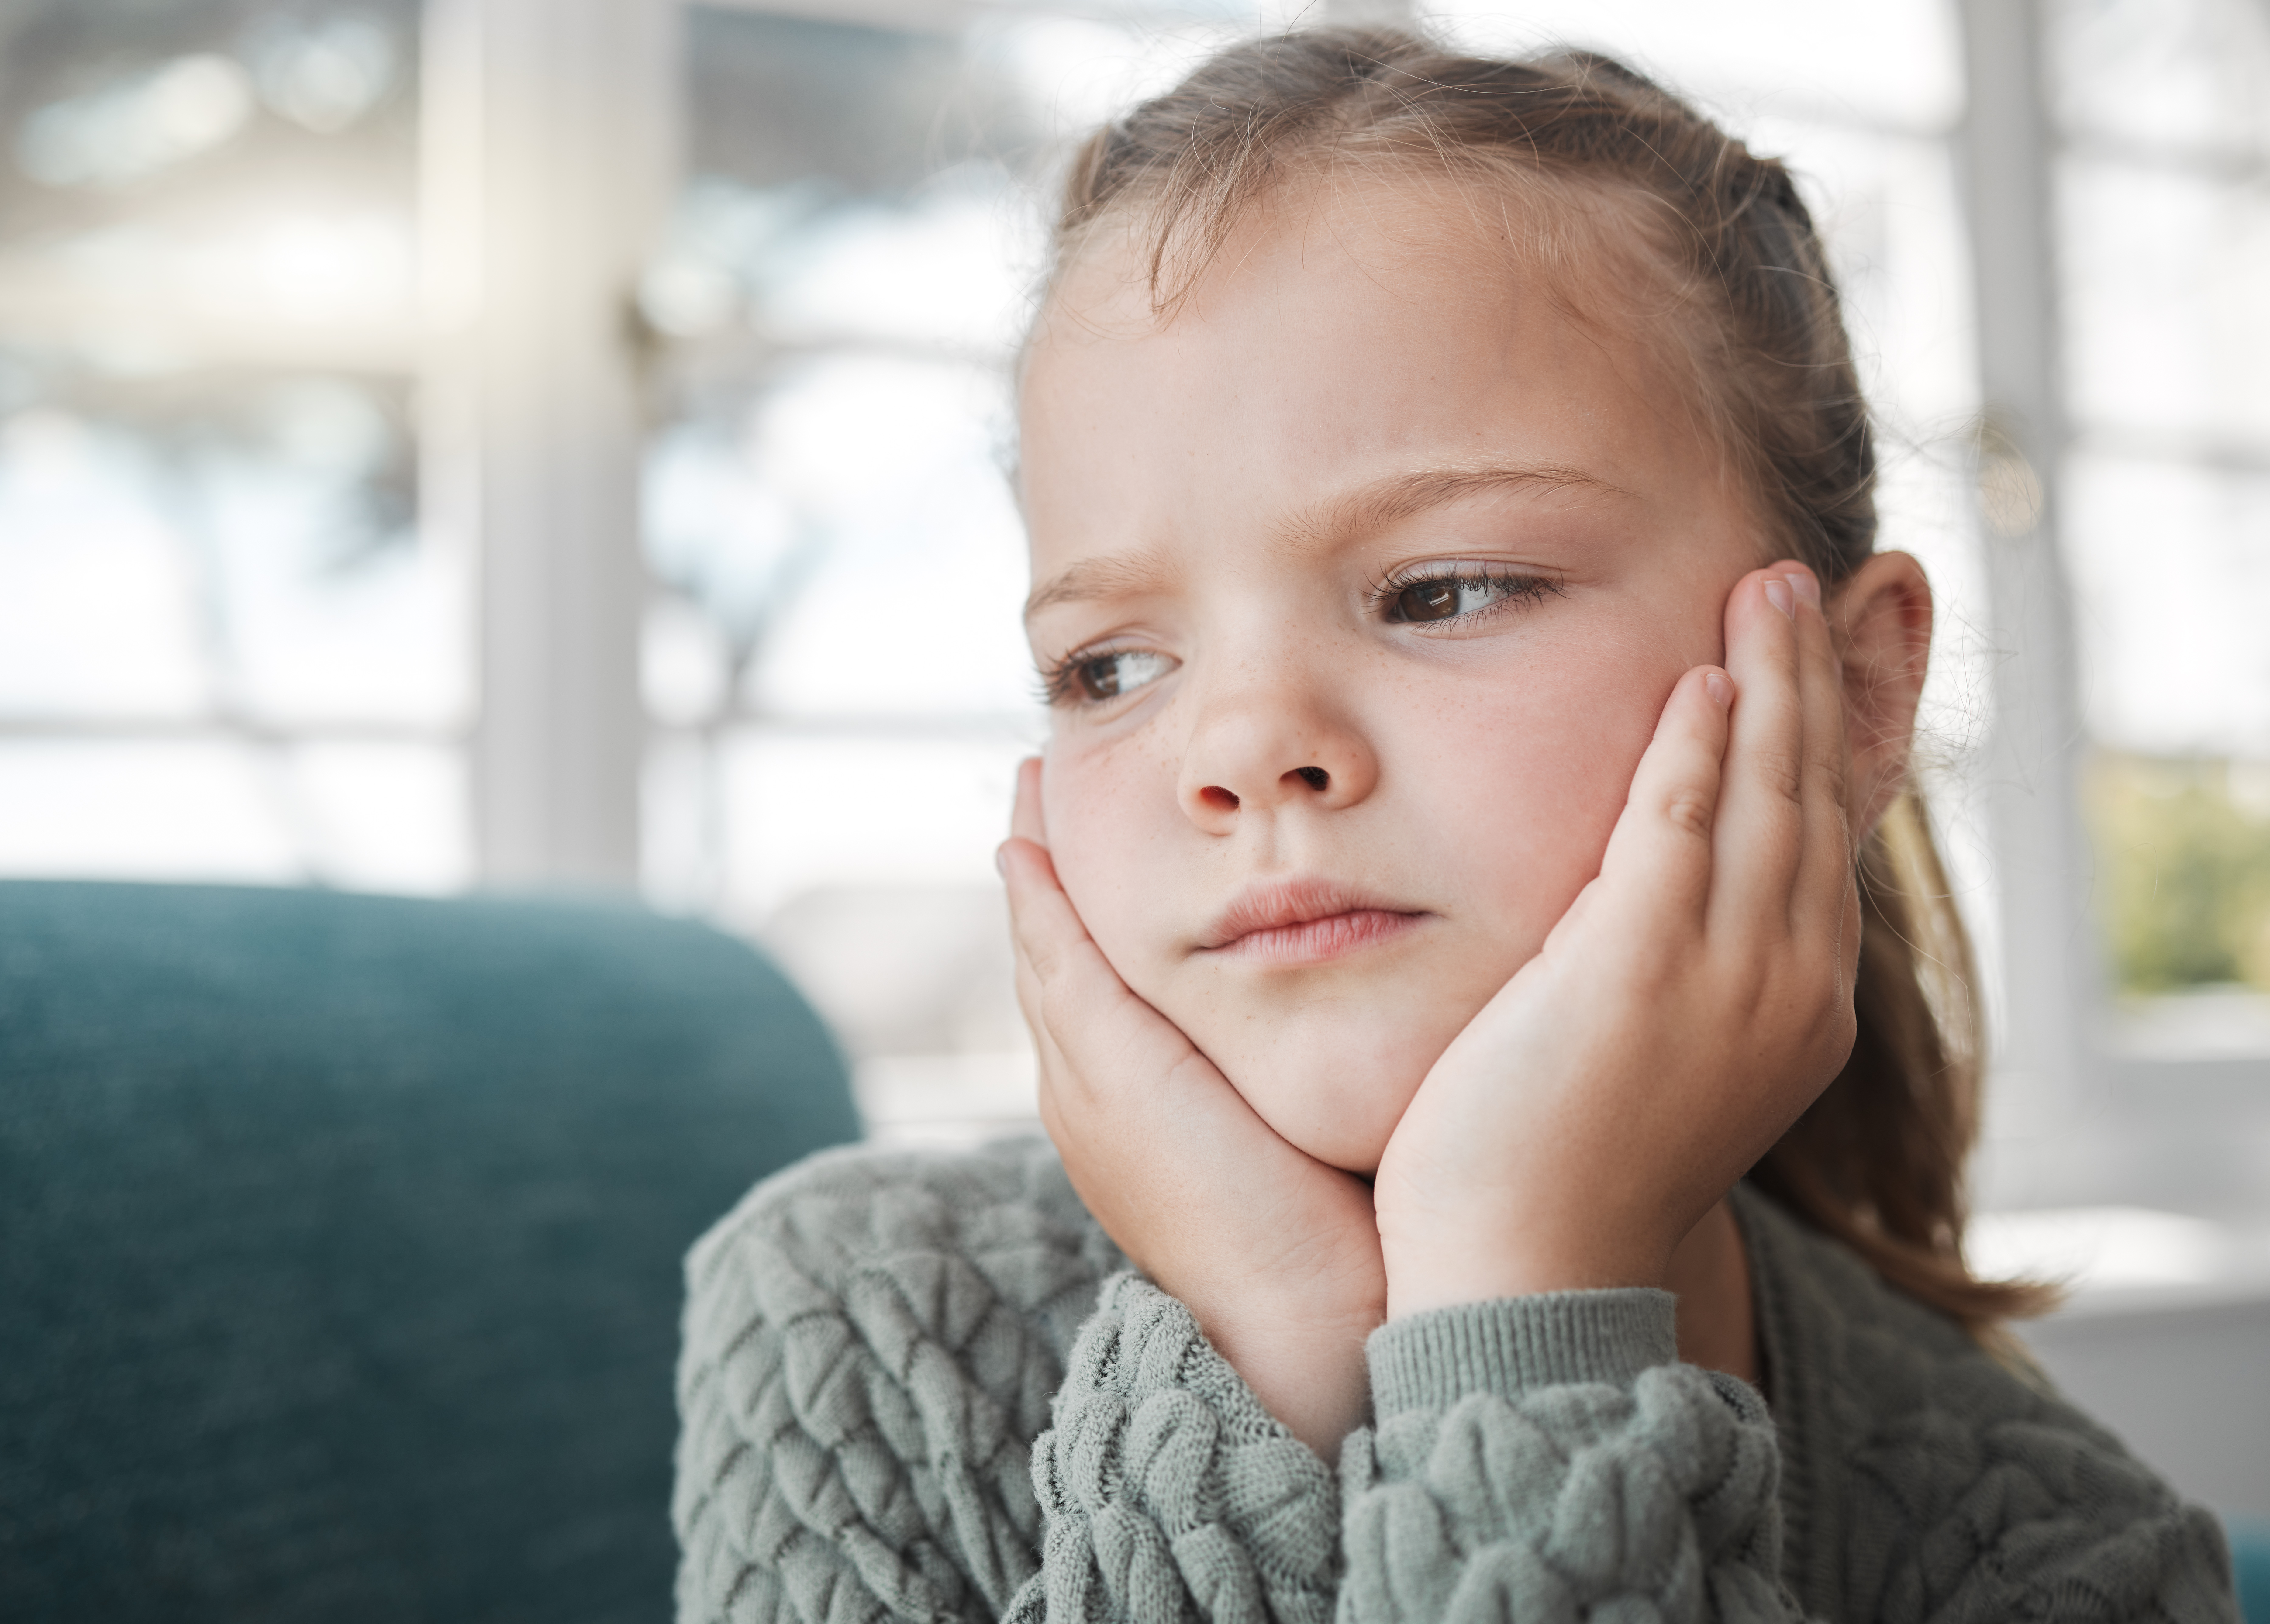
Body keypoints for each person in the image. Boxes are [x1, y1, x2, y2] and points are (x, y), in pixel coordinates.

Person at [672, 28, 2238, 1624]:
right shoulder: (864, 1320)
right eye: (1113, 664)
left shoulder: (2070, 1562)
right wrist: (1268, 1349)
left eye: (1443, 590)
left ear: (1844, 694)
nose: (1243, 748)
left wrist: (1524, 1295)